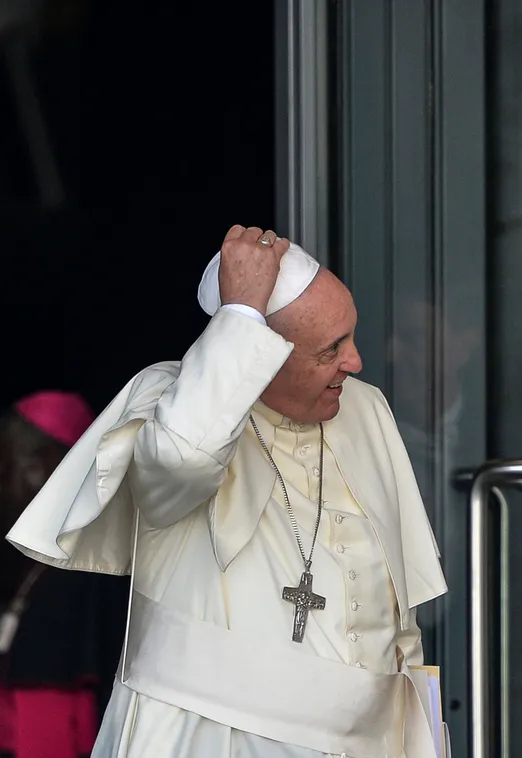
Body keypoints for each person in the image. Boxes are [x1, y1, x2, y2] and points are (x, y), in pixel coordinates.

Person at [7, 226, 449, 757]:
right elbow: (181, 461)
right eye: (331, 349)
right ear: (262, 355)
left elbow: (400, 612)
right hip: (217, 738)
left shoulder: (365, 406)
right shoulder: (170, 403)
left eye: (351, 337)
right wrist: (241, 315)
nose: (354, 362)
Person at [0, 391, 128, 758]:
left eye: (4, 468)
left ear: (40, 467)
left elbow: (49, 727)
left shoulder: (84, 574)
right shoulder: (28, 568)